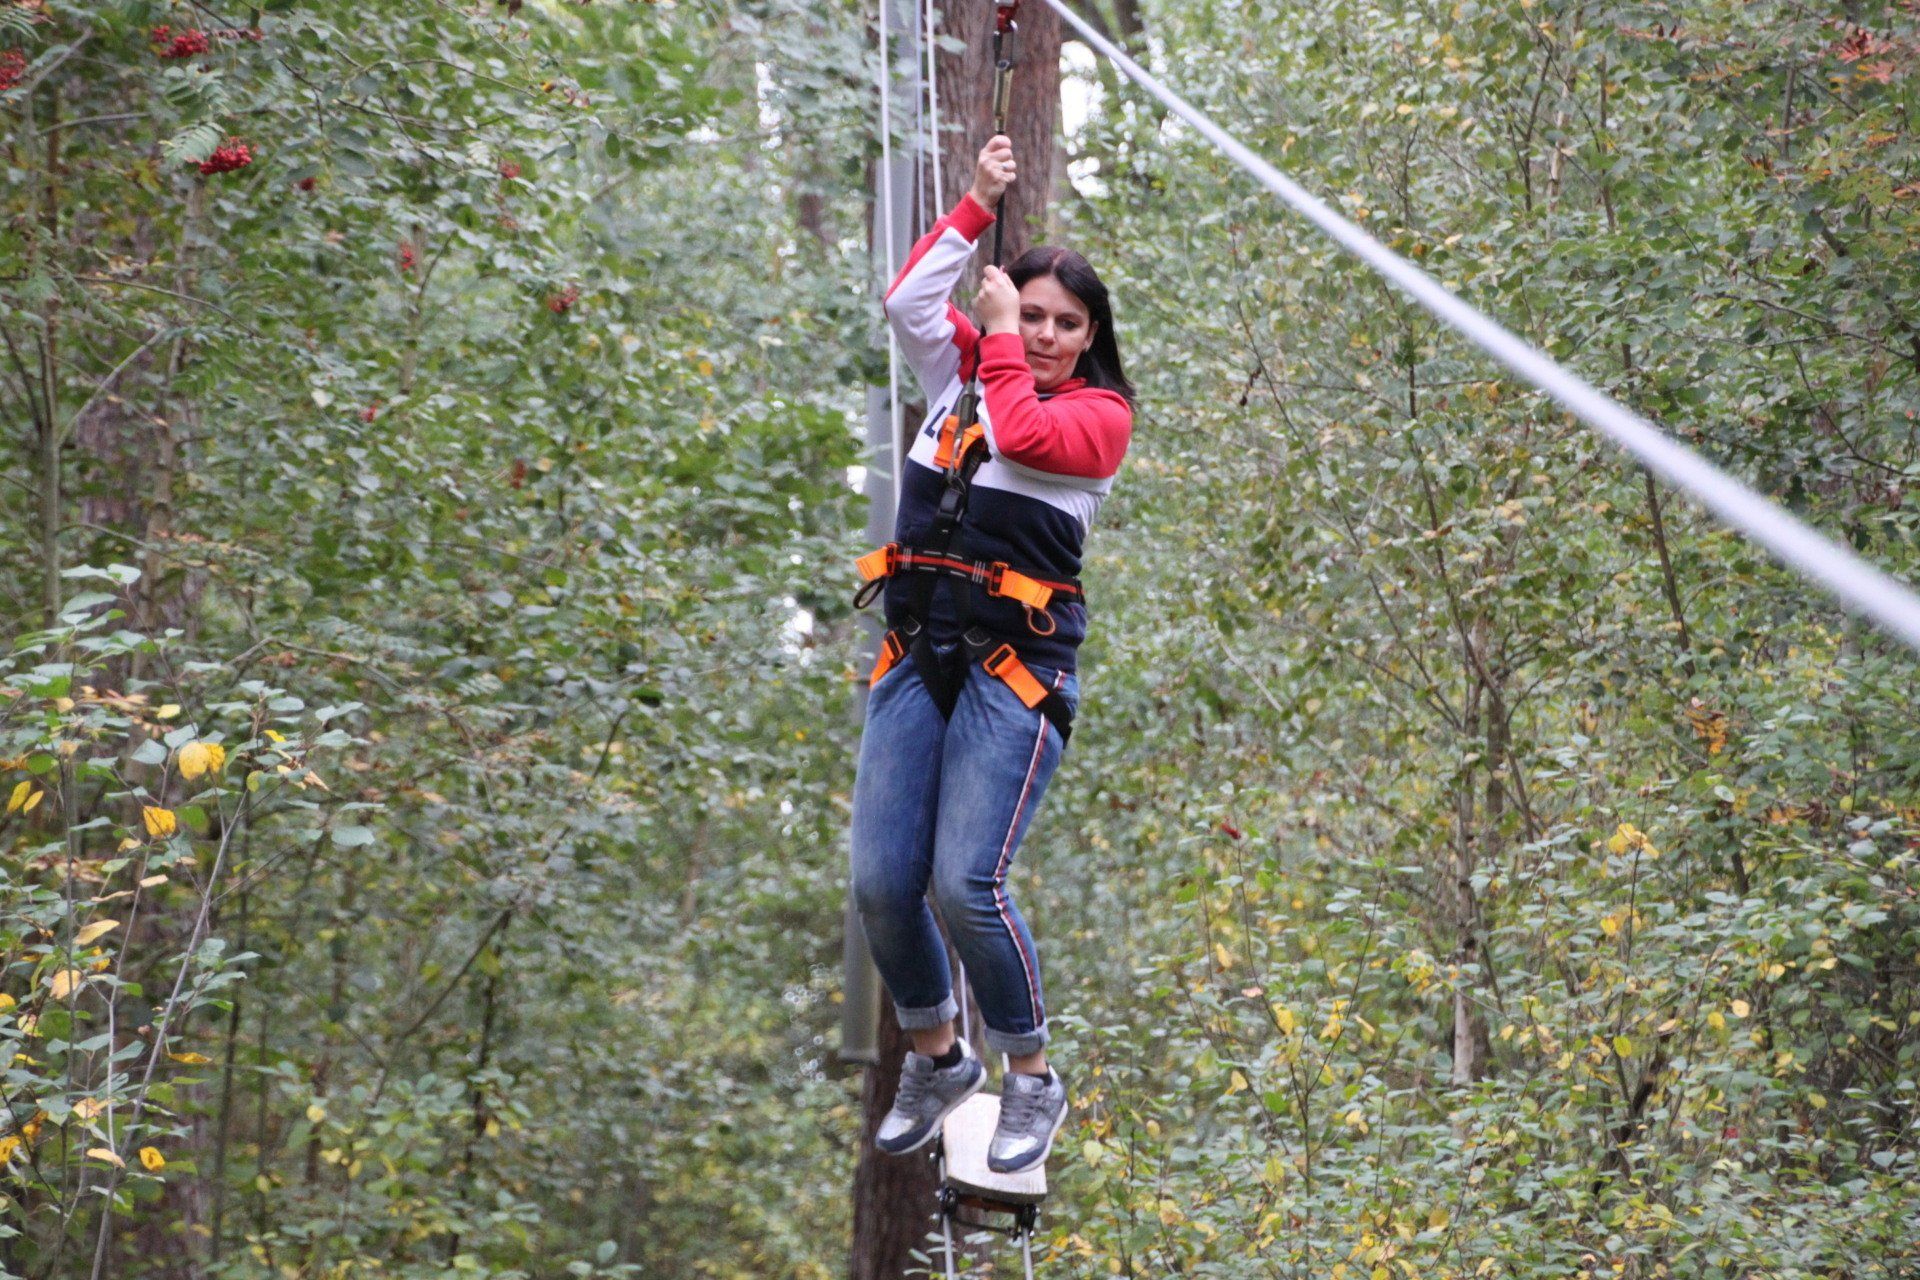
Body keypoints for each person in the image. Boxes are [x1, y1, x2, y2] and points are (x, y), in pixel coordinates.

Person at [849, 133, 1134, 1174]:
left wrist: (1001, 331)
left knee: (966, 881)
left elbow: (1018, 435)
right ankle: (938, 1055)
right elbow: (907, 306)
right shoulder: (964, 376)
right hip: (917, 657)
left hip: (1014, 680)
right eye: (1033, 315)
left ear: (1090, 338)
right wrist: (974, 204)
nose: (1045, 334)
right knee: (884, 882)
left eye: (1067, 323)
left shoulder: (1098, 420)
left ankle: (1032, 1076)